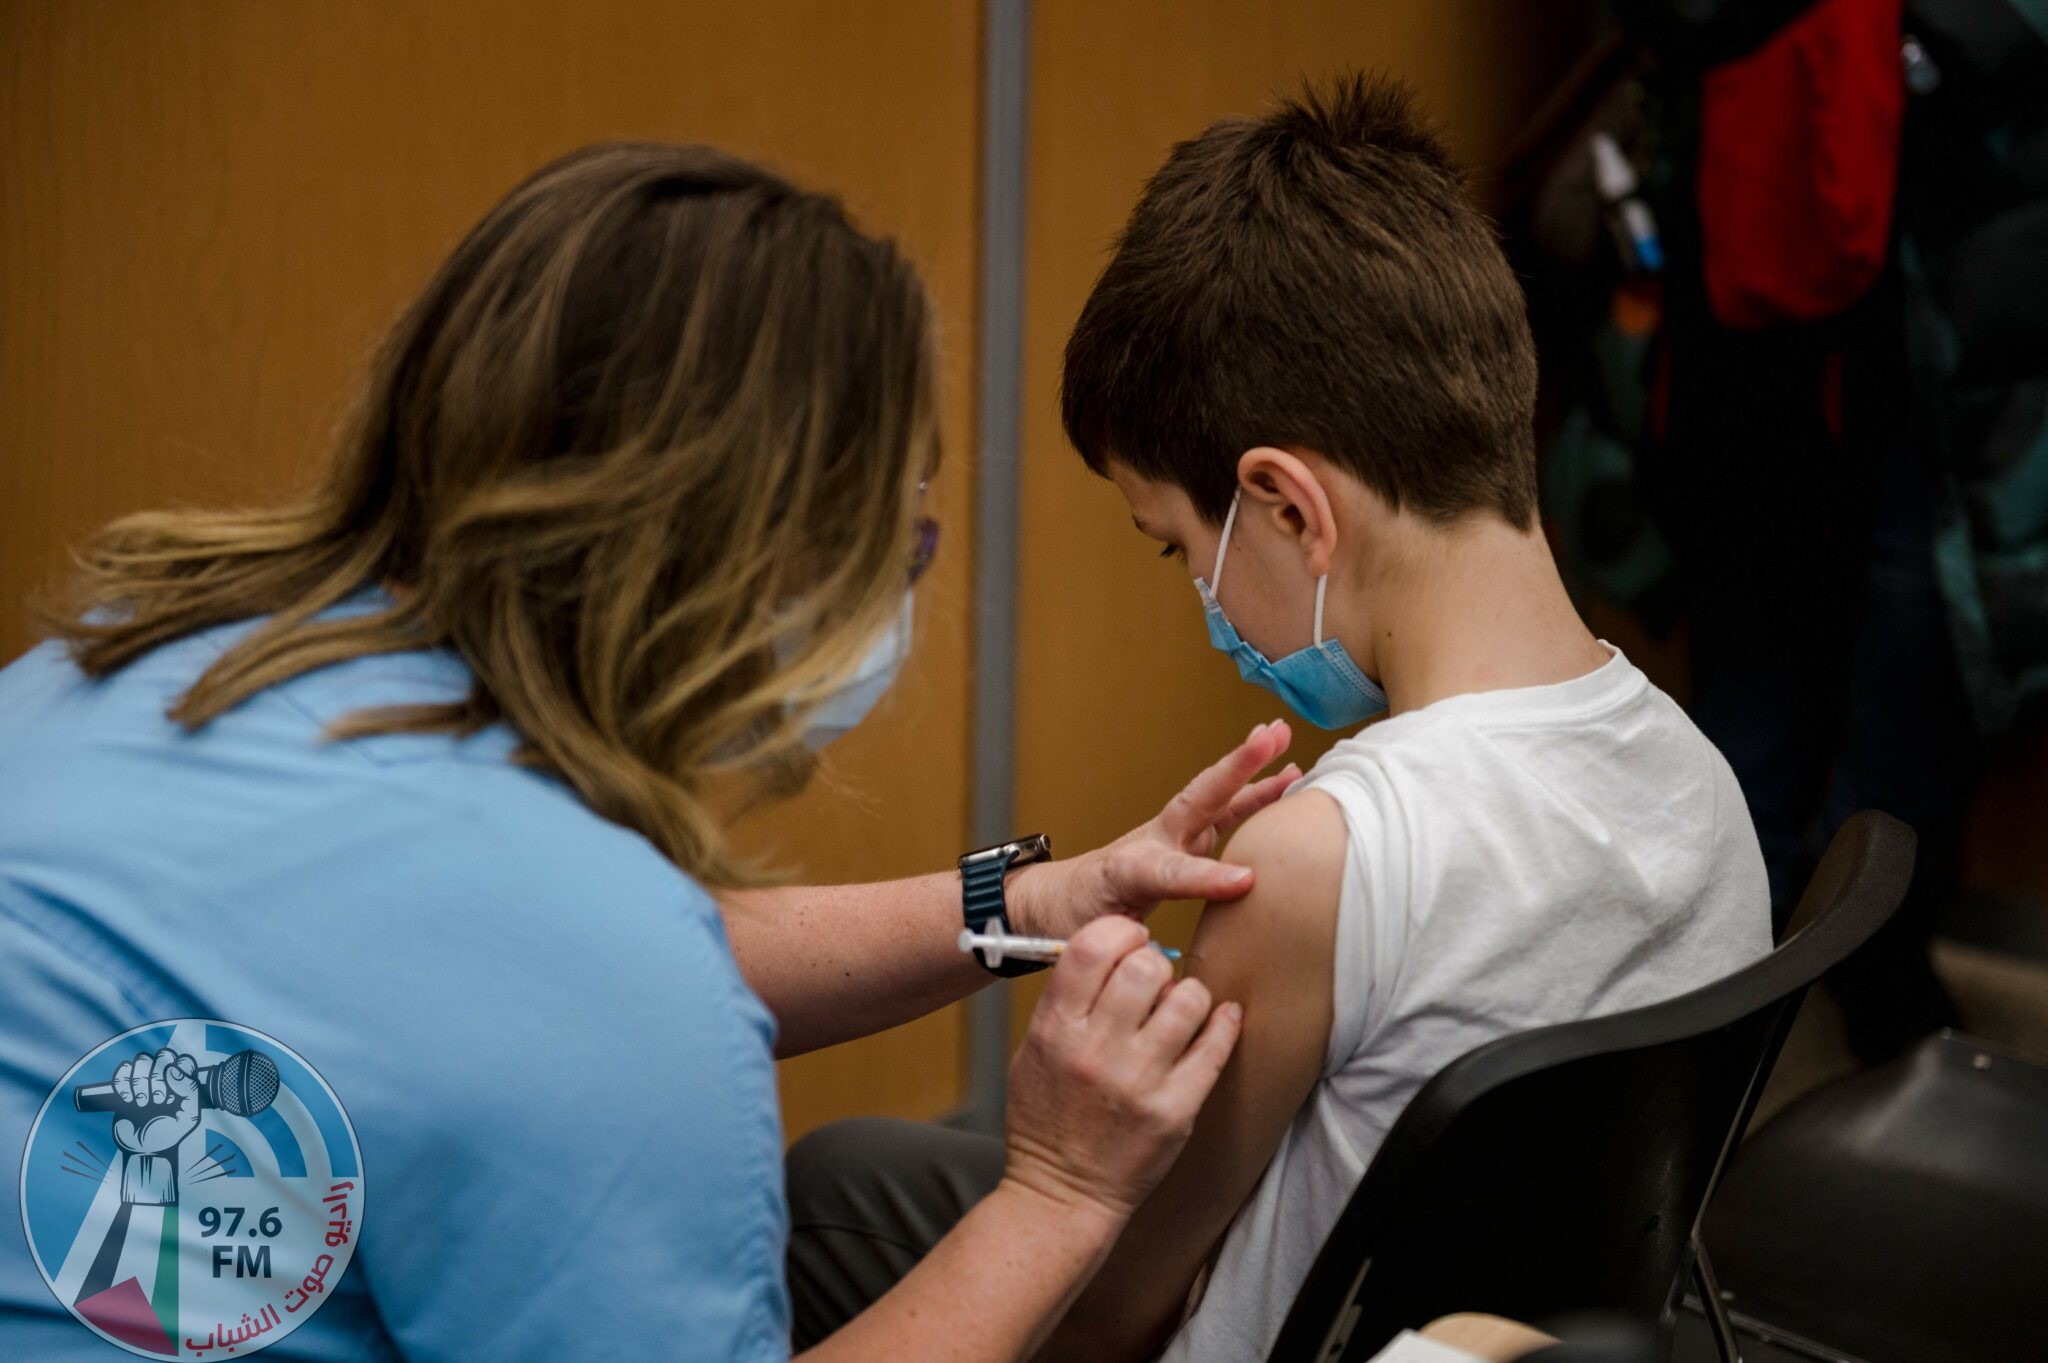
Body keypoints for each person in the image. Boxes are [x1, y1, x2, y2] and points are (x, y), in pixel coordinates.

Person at [0, 142, 1303, 1362]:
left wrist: (1023, 903)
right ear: (767, 552)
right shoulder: (585, 971)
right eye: (895, 545)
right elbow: (571, 986)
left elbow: (476, 975)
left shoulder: (145, 661)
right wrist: (1061, 1187)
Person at [783, 76, 1772, 1362]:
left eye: (1175, 549)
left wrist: (1065, 1143)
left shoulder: (1324, 857)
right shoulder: (1704, 781)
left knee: (827, 1192)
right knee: (859, 1168)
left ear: (1288, 507)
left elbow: (1113, 1317)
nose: (1201, 601)